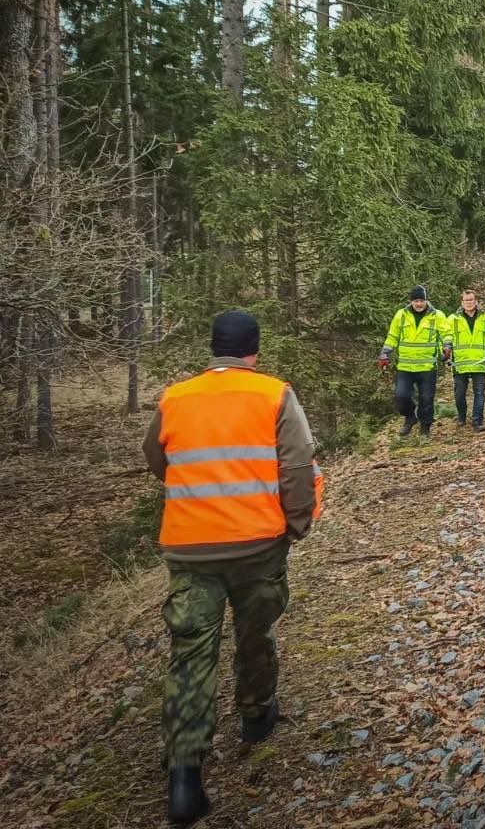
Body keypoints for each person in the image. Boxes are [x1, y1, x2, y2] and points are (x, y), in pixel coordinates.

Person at [143, 310, 323, 825]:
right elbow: (296, 464)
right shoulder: (273, 394)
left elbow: (157, 457)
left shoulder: (176, 397)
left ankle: (184, 778)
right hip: (256, 543)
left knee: (190, 653)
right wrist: (295, 524)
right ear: (254, 350)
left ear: (213, 349)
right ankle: (257, 714)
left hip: (189, 548)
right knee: (254, 629)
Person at [378, 285, 451, 438]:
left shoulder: (437, 316)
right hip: (405, 366)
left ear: (426, 300)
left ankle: (425, 427)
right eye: (416, 301)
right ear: (411, 301)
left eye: (421, 300)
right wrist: (385, 354)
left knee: (426, 399)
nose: (419, 304)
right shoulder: (401, 315)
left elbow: (446, 334)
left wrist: (446, 347)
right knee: (401, 397)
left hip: (427, 366)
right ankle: (410, 417)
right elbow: (393, 336)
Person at [448, 288, 485, 430]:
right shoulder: (453, 319)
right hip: (460, 363)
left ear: (476, 301)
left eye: (471, 300)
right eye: (466, 300)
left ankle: (477, 421)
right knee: (459, 394)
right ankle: (461, 416)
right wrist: (446, 348)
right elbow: (447, 336)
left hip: (479, 362)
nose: (469, 303)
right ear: (462, 302)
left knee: (479, 393)